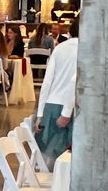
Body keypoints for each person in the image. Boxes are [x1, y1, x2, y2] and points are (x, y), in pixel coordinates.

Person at [33, 23, 78, 164]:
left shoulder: (59, 48)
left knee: (49, 159)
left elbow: (47, 82)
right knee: (69, 159)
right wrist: (66, 113)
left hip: (52, 104)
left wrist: (40, 113)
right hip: (72, 106)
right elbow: (74, 82)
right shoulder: (90, 50)